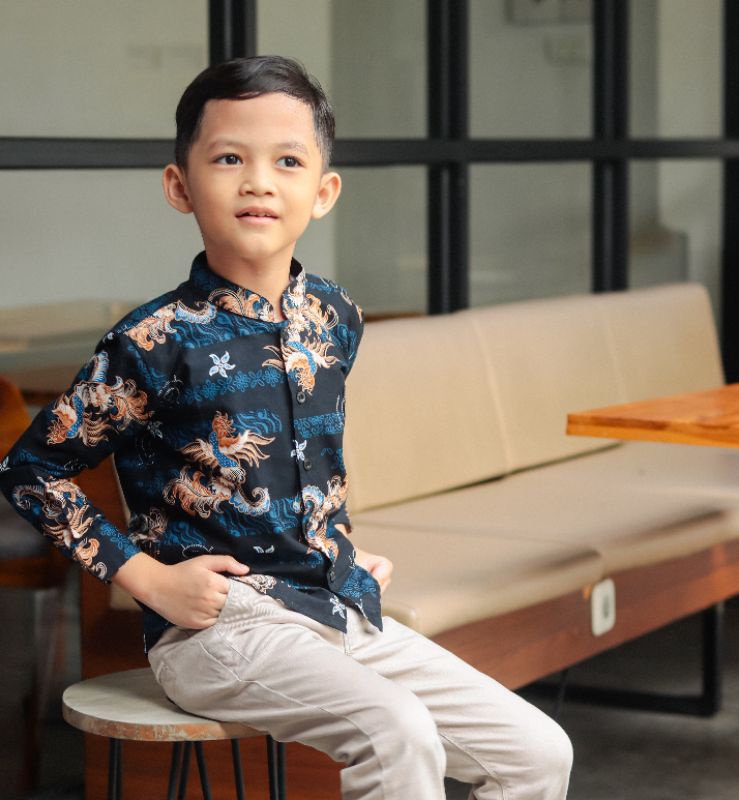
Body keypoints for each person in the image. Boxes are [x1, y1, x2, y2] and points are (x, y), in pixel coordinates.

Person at [0, 55, 572, 799]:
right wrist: (149, 580)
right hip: (218, 631)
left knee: (537, 753)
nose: (258, 182)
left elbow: (306, 459)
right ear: (180, 186)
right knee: (396, 730)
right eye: (229, 158)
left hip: (337, 606)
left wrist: (335, 540)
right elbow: (29, 470)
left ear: (323, 191)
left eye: (288, 161)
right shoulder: (154, 341)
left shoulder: (336, 317)